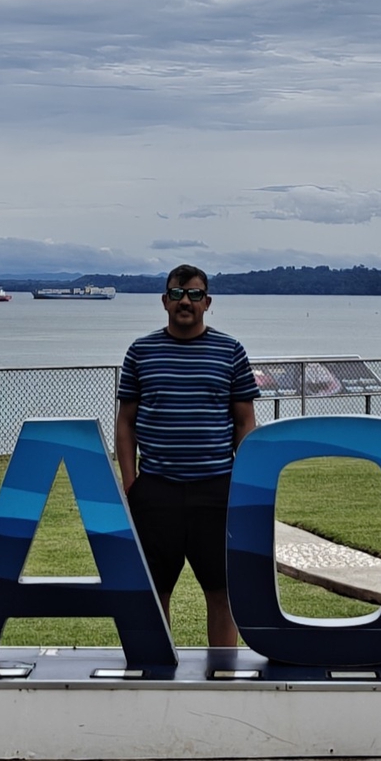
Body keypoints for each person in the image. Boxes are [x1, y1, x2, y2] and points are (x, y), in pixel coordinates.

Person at [116, 265, 257, 652]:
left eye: (194, 295)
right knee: (154, 591)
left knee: (222, 591)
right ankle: (157, 669)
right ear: (164, 301)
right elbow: (125, 423)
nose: (185, 302)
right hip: (156, 491)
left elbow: (245, 422)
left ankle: (223, 670)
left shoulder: (230, 351)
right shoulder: (140, 352)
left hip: (217, 490)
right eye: (177, 294)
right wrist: (131, 484)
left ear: (207, 303)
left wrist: (245, 483)